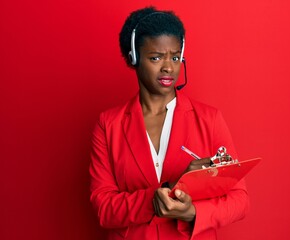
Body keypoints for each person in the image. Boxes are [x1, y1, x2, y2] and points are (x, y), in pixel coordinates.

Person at [89, 6, 249, 240]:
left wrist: (193, 212)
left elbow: (240, 200)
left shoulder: (209, 119)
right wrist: (153, 199)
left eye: (175, 57)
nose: (168, 67)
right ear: (133, 58)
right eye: (156, 57)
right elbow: (103, 208)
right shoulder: (108, 124)